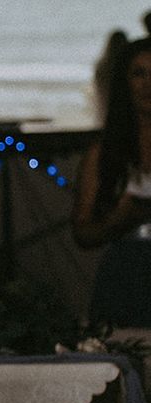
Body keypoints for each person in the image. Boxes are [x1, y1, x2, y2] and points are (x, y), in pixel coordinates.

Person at [73, 37, 151, 333]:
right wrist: (120, 219)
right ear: (124, 83)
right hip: (127, 273)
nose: (148, 85)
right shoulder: (104, 153)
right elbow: (83, 233)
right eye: (138, 74)